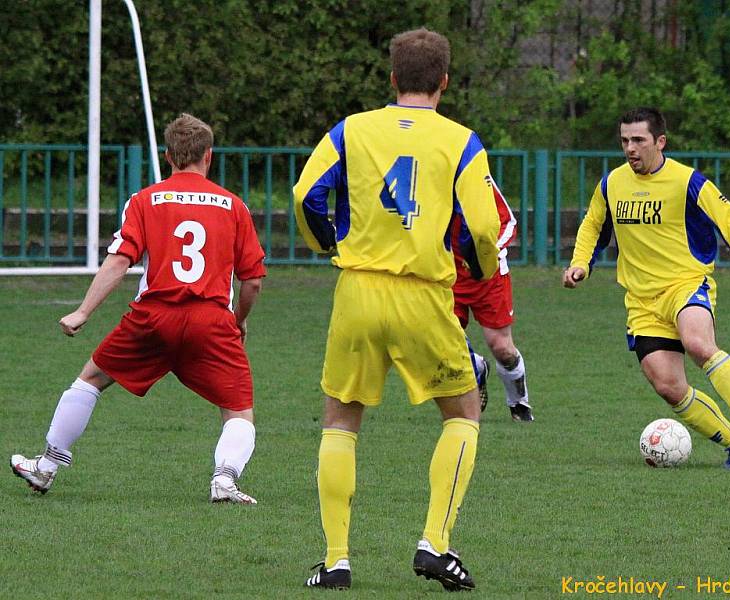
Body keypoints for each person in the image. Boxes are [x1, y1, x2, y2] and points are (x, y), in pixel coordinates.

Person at [293, 28, 499, 591]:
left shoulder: (351, 130)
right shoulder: (461, 141)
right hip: (423, 295)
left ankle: (336, 560)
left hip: (357, 292)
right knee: (462, 415)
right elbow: (483, 226)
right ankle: (434, 544)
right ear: (444, 82)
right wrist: (479, 270)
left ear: (391, 79)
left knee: (340, 420)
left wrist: (330, 246)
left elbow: (305, 195)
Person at [10, 113, 266, 502]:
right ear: (209, 156)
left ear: (168, 156)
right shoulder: (234, 206)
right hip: (211, 321)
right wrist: (239, 321)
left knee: (91, 379)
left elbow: (118, 261)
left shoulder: (145, 200)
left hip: (153, 318)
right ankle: (225, 480)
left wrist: (82, 312)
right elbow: (253, 281)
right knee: (238, 409)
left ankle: (46, 467)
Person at [563, 107, 730, 469]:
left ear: (660, 141)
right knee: (667, 384)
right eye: (624, 141)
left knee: (697, 343)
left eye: (638, 140)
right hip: (641, 302)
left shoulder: (688, 181)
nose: (630, 148)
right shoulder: (611, 184)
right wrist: (580, 263)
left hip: (685, 284)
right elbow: (592, 225)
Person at [452, 179, 532, 421]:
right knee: (439, 339)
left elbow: (508, 221)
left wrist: (487, 254)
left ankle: (519, 404)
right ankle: (475, 366)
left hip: (489, 274)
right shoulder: (425, 174)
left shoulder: (475, 175)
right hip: (446, 272)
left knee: (502, 348)